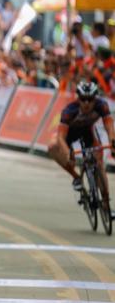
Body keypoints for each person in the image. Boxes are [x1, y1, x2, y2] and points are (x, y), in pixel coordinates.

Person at [48, 81, 115, 219]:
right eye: (83, 99)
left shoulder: (101, 105)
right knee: (52, 146)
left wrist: (112, 143)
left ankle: (106, 205)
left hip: (87, 133)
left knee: (99, 164)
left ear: (95, 98)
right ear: (78, 98)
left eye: (90, 99)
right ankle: (76, 177)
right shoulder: (69, 111)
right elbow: (60, 137)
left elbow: (109, 127)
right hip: (70, 135)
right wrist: (67, 152)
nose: (86, 103)